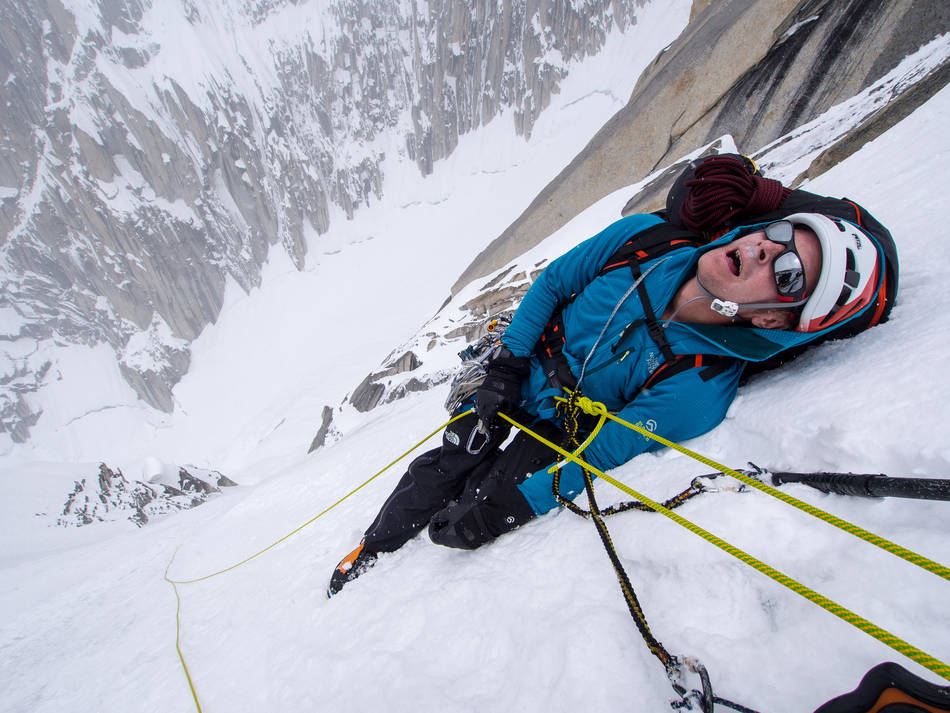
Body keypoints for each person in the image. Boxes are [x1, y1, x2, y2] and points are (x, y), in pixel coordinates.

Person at [327, 159, 898, 597]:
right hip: (524, 369)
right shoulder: (647, 239)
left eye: (788, 272)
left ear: (775, 320)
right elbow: (554, 283)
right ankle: (370, 550)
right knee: (453, 453)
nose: (760, 250)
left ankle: (441, 524)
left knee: (486, 483)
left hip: (559, 427)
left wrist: (508, 508)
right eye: (776, 236)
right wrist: (506, 364)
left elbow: (601, 455)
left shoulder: (699, 385)